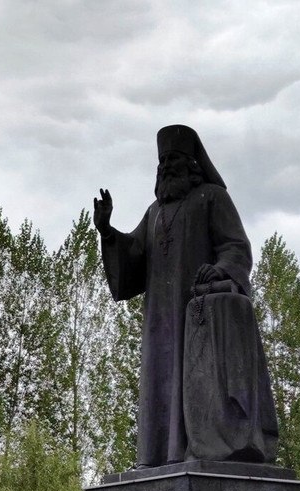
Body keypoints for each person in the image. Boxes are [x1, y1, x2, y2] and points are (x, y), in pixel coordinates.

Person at [93, 124, 277, 468]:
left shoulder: (212, 197)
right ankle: (160, 456)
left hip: (195, 316)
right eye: (161, 162)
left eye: (173, 159)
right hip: (159, 319)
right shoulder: (154, 212)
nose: (165, 167)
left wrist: (222, 270)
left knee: (194, 382)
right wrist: (107, 231)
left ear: (192, 163)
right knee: (159, 381)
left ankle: (195, 450)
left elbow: (236, 247)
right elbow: (133, 255)